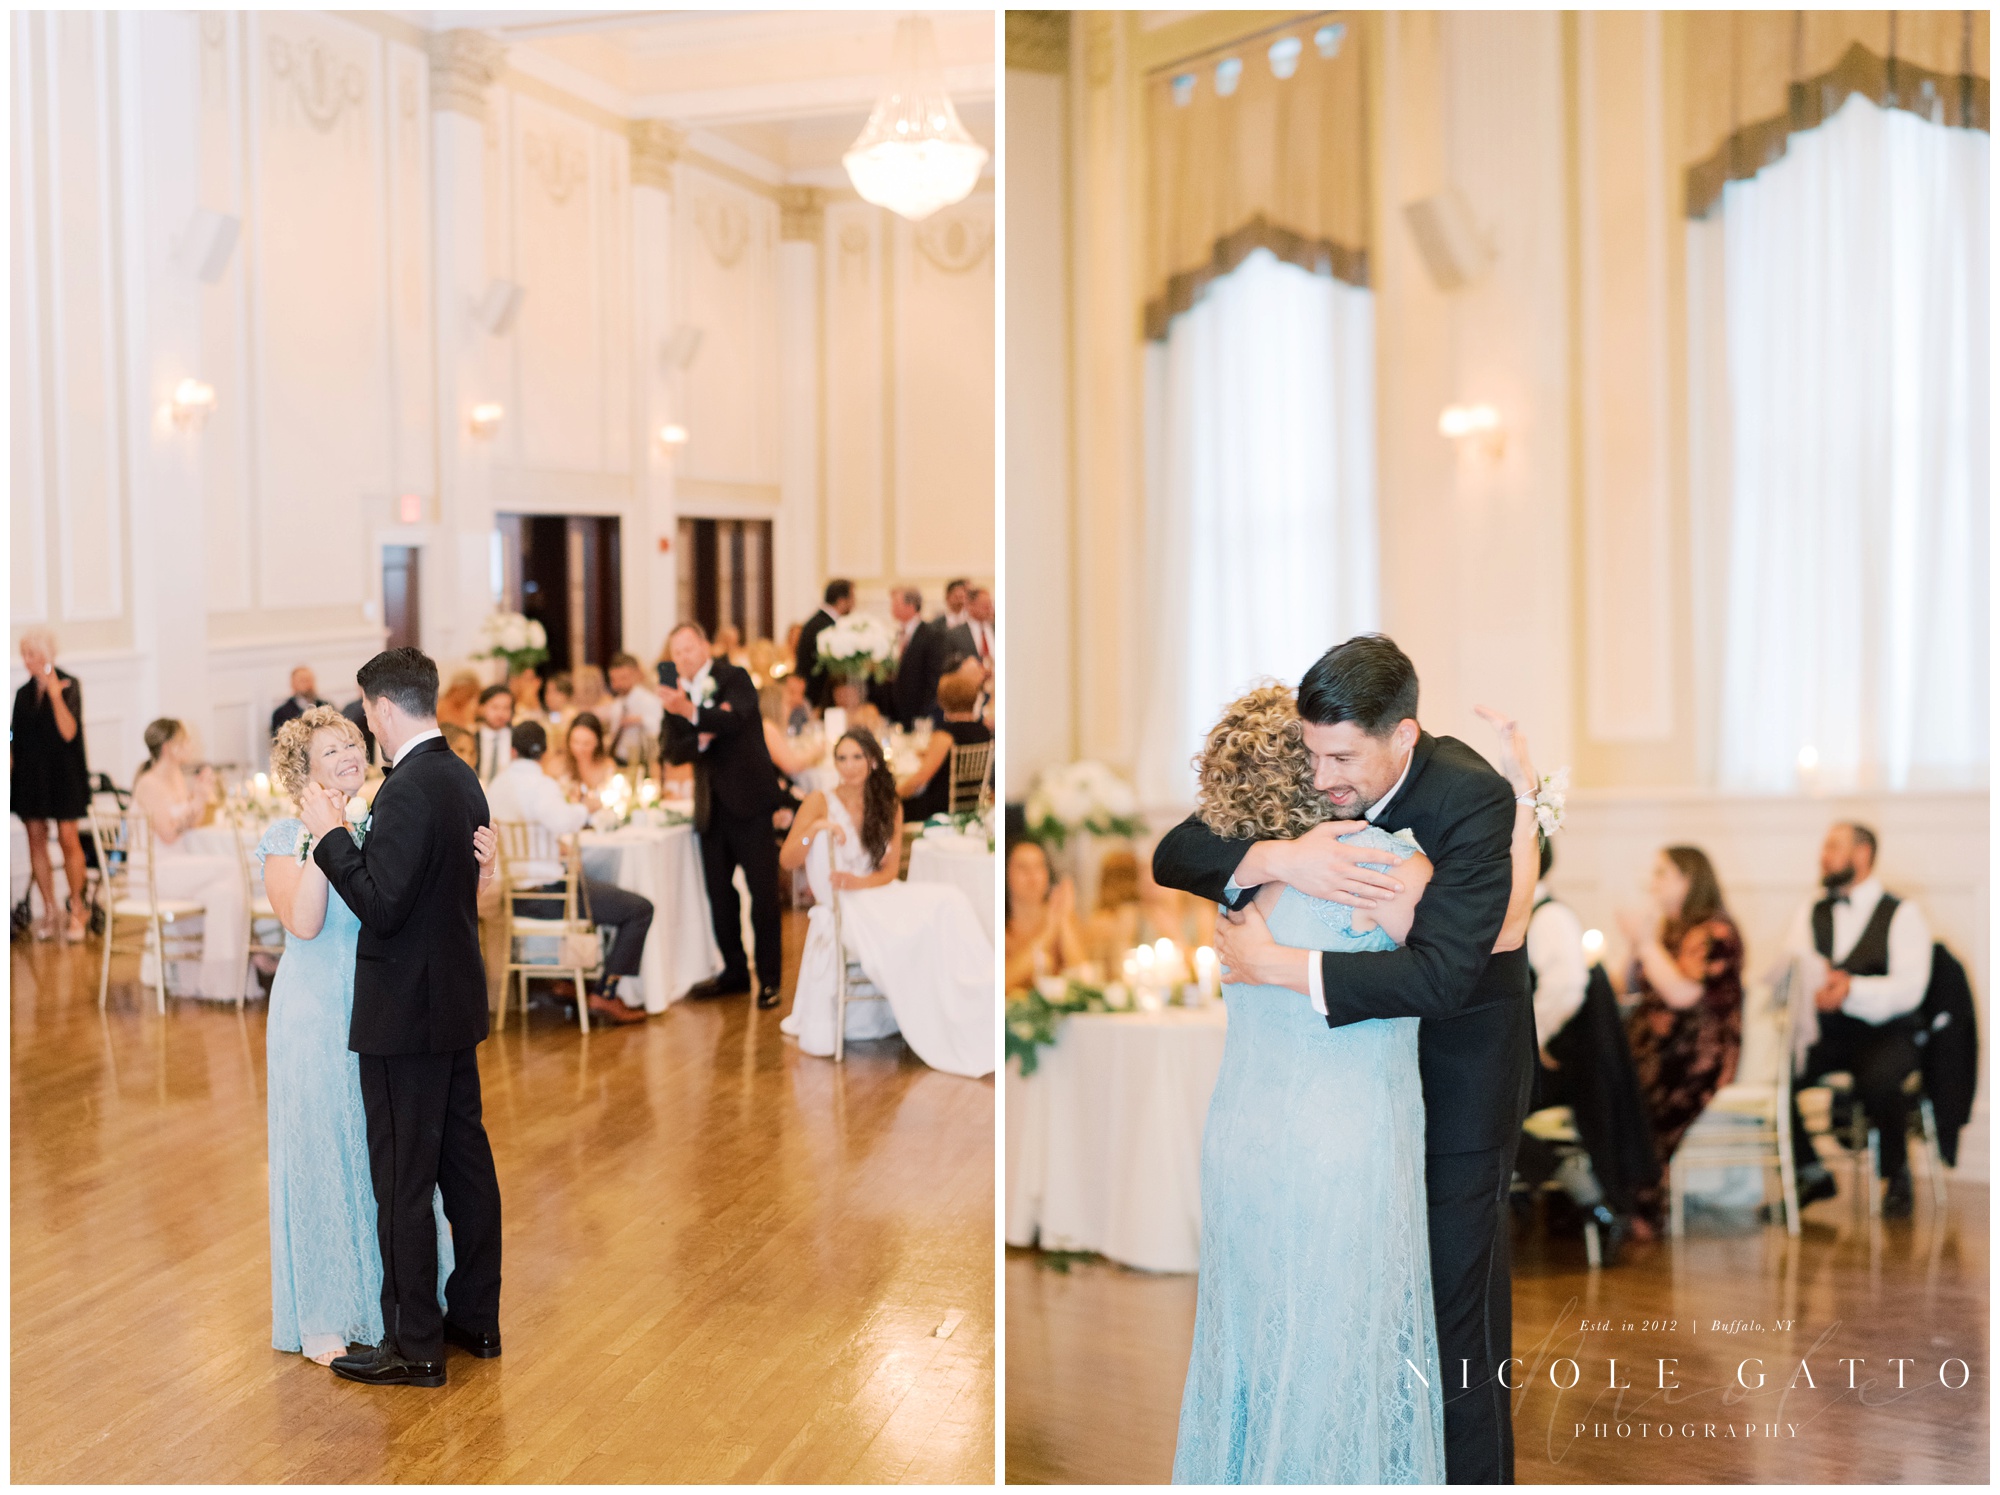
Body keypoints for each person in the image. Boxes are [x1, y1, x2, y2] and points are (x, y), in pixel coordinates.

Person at [1153, 636, 1540, 1485]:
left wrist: (1278, 963)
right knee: (1348, 1316)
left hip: (1461, 1072)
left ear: (1400, 737)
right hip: (1351, 1096)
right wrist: (1285, 857)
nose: (1326, 774)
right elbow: (1177, 850)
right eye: (1313, 754)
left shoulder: (1467, 794)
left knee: (1451, 1314)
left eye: (1341, 757)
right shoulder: (1309, 817)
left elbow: (1461, 963)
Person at [257, 705, 497, 1364]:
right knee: (320, 1156)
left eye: (353, 744)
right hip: (312, 1016)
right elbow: (304, 923)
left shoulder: (384, 820)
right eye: (331, 750)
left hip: (383, 1009)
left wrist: (487, 869)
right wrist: (321, 834)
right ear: (301, 771)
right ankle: (326, 1312)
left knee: (385, 1165)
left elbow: (436, 916)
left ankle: (392, 1304)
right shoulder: (284, 837)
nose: (349, 756)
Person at [777, 730, 995, 1077]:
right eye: (842, 758)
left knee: (949, 900)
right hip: (844, 903)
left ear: (873, 762)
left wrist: (860, 882)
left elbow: (890, 872)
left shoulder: (889, 803)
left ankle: (976, 996)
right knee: (927, 914)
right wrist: (815, 827)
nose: (848, 767)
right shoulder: (819, 800)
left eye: (856, 758)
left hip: (874, 890)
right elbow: (788, 859)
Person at [1513, 839, 1657, 1265]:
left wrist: (1529, 1042)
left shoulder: (1549, 916)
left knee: (1472, 1109)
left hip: (1558, 1068)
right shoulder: (1520, 914)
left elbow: (1565, 988)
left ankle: (1563, 1175)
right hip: (1544, 1064)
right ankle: (1558, 1173)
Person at [1780, 822, 1934, 1219]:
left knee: (1880, 1078)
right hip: (1828, 1033)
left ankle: (1896, 1175)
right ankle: (1811, 1172)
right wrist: (1812, 989)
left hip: (1886, 1031)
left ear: (1862, 854)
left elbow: (1910, 990)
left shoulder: (1903, 913)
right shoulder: (1811, 911)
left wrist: (1852, 990)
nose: (1822, 856)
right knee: (1779, 1075)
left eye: (1832, 847)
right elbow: (1794, 968)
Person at [487, 722, 652, 1027]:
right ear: (545, 752)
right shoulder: (542, 786)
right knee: (639, 909)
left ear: (512, 751)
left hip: (515, 896)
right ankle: (605, 991)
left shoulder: (496, 786)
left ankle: (564, 983)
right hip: (552, 896)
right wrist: (584, 808)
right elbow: (565, 823)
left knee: (595, 892)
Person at [1616, 845, 1744, 1238]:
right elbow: (1629, 987)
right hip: (1656, 1043)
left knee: (1641, 1095)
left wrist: (1646, 942)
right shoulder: (1667, 929)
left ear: (1688, 880)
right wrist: (1638, 943)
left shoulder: (1715, 931)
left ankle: (1641, 1206)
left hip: (1698, 1051)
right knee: (1608, 1078)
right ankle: (1611, 1198)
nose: (1652, 882)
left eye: (1662, 873)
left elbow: (1684, 995)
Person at [659, 621, 785, 1008]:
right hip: (710, 808)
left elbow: (735, 721)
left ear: (705, 647)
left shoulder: (735, 677)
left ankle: (769, 979)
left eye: (689, 648)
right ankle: (732, 971)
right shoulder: (675, 693)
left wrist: (692, 713)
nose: (683, 657)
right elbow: (672, 749)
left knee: (763, 894)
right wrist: (700, 733)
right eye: (676, 652)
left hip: (750, 802)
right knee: (719, 894)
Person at [128, 719, 252, 1000]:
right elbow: (169, 833)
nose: (191, 746)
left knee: (223, 893)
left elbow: (191, 825)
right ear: (170, 747)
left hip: (177, 867)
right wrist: (196, 800)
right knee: (232, 867)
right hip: (154, 871)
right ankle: (249, 958)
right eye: (185, 741)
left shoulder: (175, 778)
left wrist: (201, 797)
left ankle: (221, 984)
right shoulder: (148, 783)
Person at [12, 628, 92, 943]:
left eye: (31, 654)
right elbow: (15, 735)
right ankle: (48, 908)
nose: (26, 661)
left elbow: (69, 731)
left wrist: (56, 696)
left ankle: (77, 907)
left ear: (46, 654)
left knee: (68, 838)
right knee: (36, 838)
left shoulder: (69, 685)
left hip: (64, 775)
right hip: (32, 777)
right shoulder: (22, 694)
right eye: (24, 655)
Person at [897, 671, 991, 821]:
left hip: (940, 809)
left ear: (943, 700)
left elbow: (920, 780)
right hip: (972, 806)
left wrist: (894, 794)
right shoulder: (984, 732)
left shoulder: (945, 735)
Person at [1003, 838, 1085, 992]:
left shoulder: (1062, 916)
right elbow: (1001, 982)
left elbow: (1083, 979)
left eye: (1038, 866)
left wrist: (1063, 921)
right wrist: (1047, 933)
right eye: (1022, 867)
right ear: (1006, 874)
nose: (1032, 875)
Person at [884, 586, 947, 730]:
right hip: (896, 711)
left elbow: (934, 676)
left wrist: (925, 712)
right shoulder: (896, 634)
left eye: (896, 604)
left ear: (910, 606)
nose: (892, 608)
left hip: (919, 711)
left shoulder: (931, 635)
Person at [795, 580, 855, 709]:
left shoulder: (820, 621)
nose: (854, 603)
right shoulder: (823, 626)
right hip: (819, 697)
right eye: (852, 598)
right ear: (841, 600)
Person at [604, 652, 663, 766]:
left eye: (623, 678)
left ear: (635, 674)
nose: (618, 684)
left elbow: (660, 727)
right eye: (614, 679)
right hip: (618, 758)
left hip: (642, 760)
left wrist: (639, 720)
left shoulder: (648, 700)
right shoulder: (617, 704)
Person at [561, 713, 619, 799]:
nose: (580, 749)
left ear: (597, 743)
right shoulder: (560, 764)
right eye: (575, 742)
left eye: (586, 744)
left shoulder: (607, 766)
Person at [943, 586, 996, 677]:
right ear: (970, 606)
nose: (989, 608)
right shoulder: (955, 634)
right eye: (985, 604)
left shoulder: (998, 629)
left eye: (990, 604)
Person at [270, 665, 329, 739]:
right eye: (303, 680)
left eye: (310, 680)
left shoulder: (326, 707)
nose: (308, 684)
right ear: (293, 684)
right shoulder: (281, 714)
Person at [473, 685, 514, 784]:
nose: (500, 714)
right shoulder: (473, 738)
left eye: (506, 708)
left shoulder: (516, 738)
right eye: (495, 707)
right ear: (481, 708)